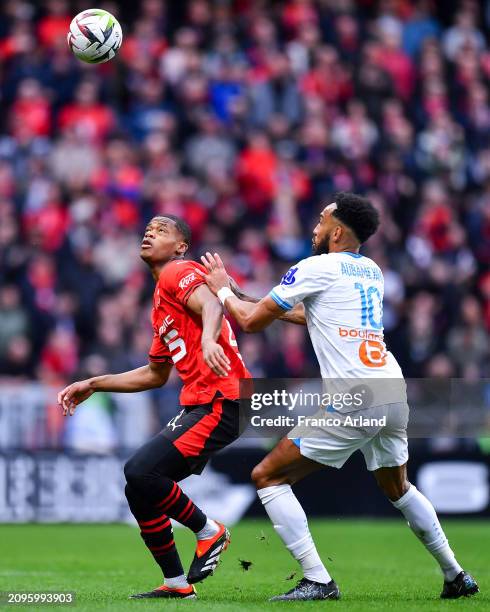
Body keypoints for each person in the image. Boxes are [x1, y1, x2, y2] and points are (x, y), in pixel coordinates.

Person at [200, 192, 479, 602]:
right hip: (392, 389)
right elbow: (315, 315)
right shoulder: (371, 271)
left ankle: (318, 580)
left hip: (357, 396)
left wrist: (223, 292)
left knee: (267, 476)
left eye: (319, 220)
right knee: (398, 488)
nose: (313, 228)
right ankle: (455, 574)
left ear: (335, 230)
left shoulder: (316, 266)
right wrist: (245, 295)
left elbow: (250, 324)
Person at [58, 214, 251, 600]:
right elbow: (154, 374)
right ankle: (178, 585)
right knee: (139, 488)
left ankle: (210, 530)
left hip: (223, 399)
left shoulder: (177, 271)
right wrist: (94, 383)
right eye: (148, 228)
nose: (150, 232)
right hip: (204, 402)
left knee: (139, 470)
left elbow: (213, 305)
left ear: (181, 246)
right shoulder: (162, 302)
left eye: (162, 230)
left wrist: (211, 341)